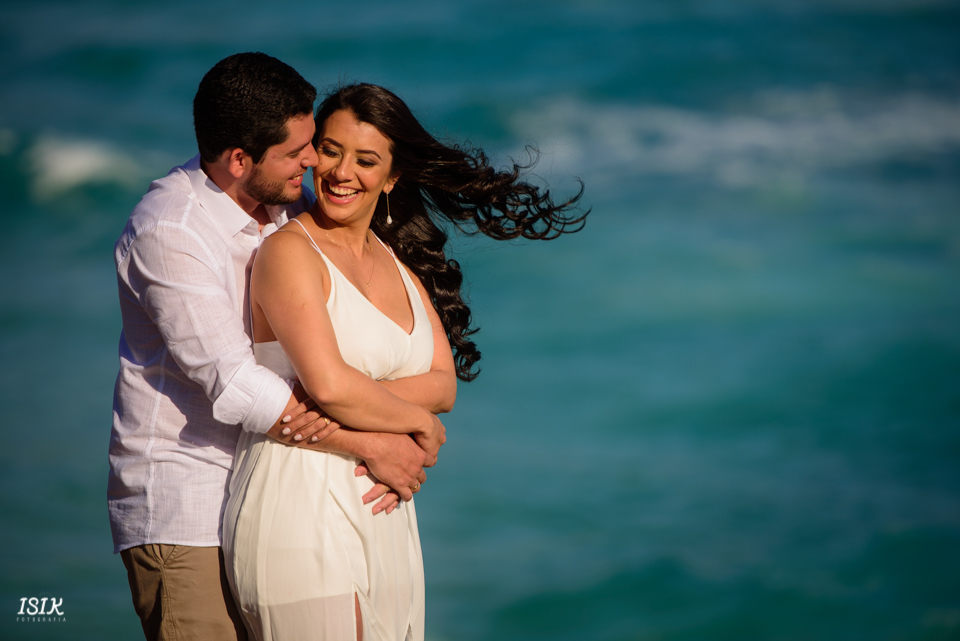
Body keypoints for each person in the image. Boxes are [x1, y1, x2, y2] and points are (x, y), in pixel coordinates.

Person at [222, 83, 588, 641]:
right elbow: (329, 385)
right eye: (330, 149)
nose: (342, 171)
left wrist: (365, 394)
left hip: (387, 509)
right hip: (300, 507)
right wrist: (415, 424)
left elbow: (444, 386)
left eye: (366, 160)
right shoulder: (289, 252)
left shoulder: (400, 265)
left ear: (391, 178)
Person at [108, 55, 433, 641]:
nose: (313, 162)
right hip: (189, 508)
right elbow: (238, 385)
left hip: (270, 488)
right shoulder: (171, 231)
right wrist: (374, 440)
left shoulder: (282, 206)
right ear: (239, 160)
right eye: (297, 152)